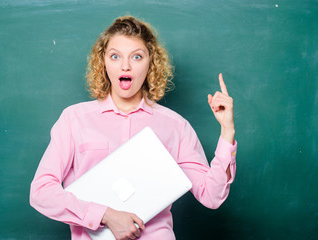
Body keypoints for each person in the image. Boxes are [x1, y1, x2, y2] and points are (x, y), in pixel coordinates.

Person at [30, 16, 237, 240]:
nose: (125, 65)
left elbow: (212, 196)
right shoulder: (74, 119)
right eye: (115, 56)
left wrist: (227, 132)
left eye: (137, 57)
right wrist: (105, 215)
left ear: (150, 64)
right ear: (103, 62)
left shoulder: (175, 126)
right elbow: (41, 192)